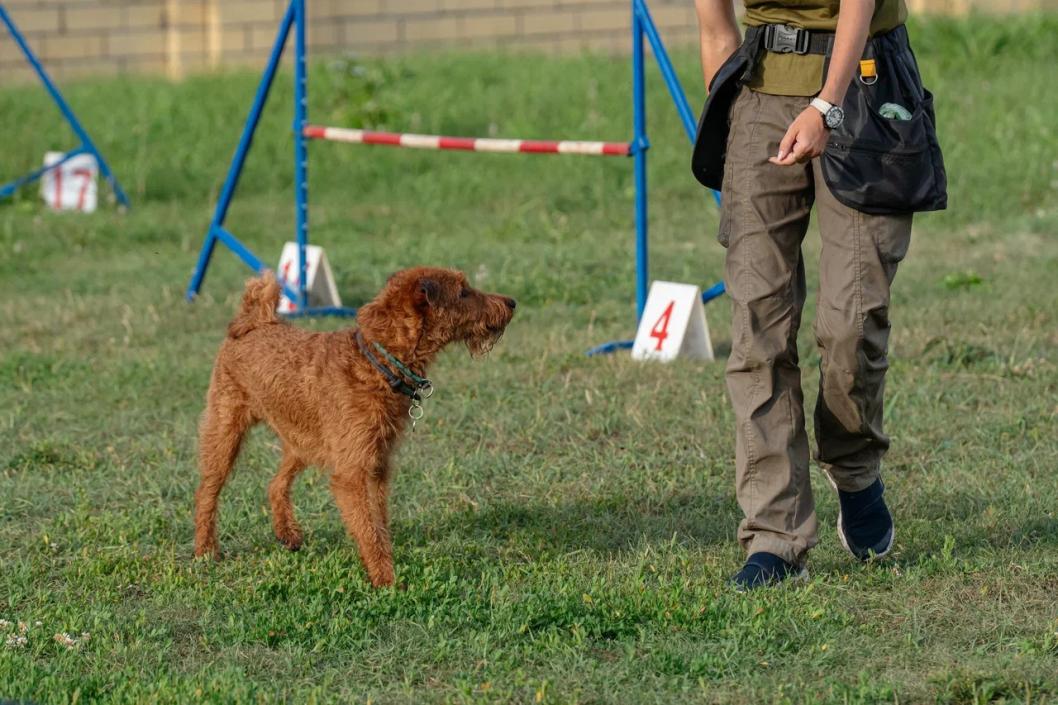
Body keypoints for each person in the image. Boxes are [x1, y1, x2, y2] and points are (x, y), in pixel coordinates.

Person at [691, 0, 946, 590]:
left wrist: (825, 106)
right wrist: (732, 140)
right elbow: (715, 27)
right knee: (758, 326)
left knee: (852, 323)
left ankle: (855, 467)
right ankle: (774, 536)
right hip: (759, 94)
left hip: (863, 82)